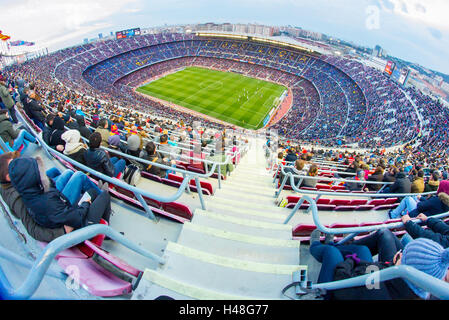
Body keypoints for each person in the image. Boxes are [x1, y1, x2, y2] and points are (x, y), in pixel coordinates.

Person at [310, 228, 449, 300]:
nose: (399, 253)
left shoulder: (377, 289)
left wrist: (350, 261)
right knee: (363, 249)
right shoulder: (406, 285)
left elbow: (342, 280)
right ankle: (331, 244)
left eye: (403, 255)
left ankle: (316, 245)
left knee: (331, 252)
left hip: (337, 290)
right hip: (371, 281)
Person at [8, 156, 111, 230]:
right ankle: (105, 231)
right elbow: (77, 218)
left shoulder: (29, 193)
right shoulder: (47, 202)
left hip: (65, 210)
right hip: (80, 227)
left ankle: (100, 204)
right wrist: (86, 203)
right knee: (105, 196)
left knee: (92, 192)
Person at [0, 152, 69, 242]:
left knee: (54, 171)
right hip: (53, 204)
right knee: (74, 175)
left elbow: (14, 213)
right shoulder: (17, 198)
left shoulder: (5, 185)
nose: (18, 164)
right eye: (13, 165)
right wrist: (62, 231)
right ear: (9, 177)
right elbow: (33, 230)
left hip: (45, 193)